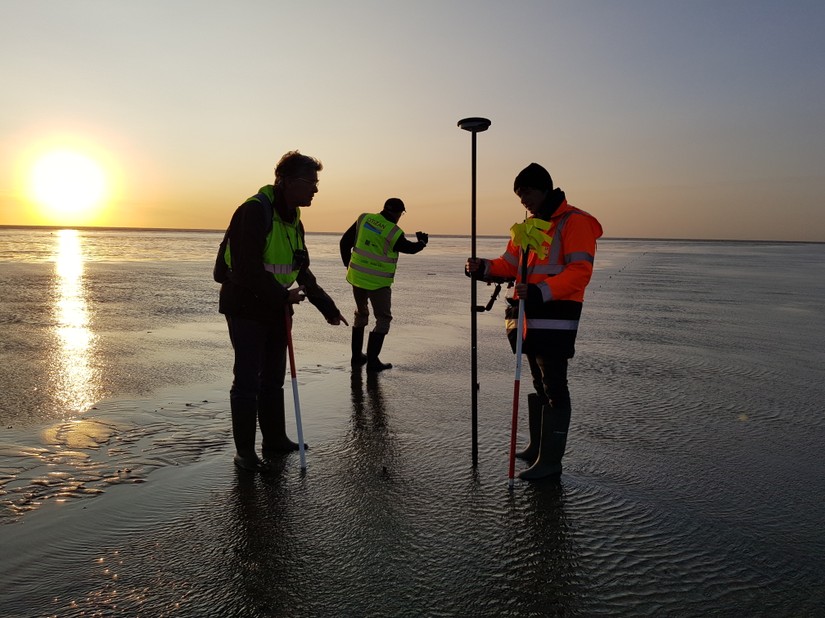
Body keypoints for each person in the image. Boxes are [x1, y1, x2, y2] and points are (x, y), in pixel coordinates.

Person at [466, 163, 602, 481]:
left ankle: (551, 461)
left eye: (526, 193)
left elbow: (580, 272)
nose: (523, 200)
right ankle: (537, 448)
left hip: (556, 317)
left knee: (555, 383)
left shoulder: (574, 221)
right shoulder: (527, 227)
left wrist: (540, 291)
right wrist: (483, 267)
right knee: (539, 381)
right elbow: (509, 264)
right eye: (519, 195)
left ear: (544, 189)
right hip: (527, 318)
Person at [218, 150, 348, 472]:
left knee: (273, 380)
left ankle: (274, 439)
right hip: (246, 307)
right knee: (247, 380)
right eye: (311, 183)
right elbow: (245, 269)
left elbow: (301, 269)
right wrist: (282, 297)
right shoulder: (253, 211)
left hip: (277, 309)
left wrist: (327, 307)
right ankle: (245, 455)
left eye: (317, 183)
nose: (316, 190)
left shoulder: (294, 221)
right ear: (286, 182)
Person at [339, 198, 428, 372]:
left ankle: (356, 357)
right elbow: (409, 248)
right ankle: (373, 362)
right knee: (383, 319)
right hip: (378, 283)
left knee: (361, 313)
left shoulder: (364, 219)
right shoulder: (393, 231)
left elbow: (344, 242)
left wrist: (348, 265)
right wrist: (422, 243)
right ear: (398, 213)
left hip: (357, 277)